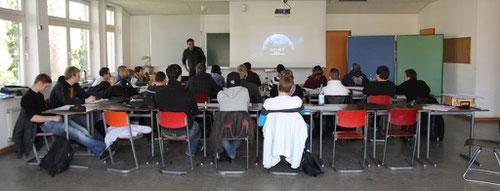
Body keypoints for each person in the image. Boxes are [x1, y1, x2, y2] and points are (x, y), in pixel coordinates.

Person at [22, 74, 107, 159]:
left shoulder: (39, 95)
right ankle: (104, 147)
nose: (46, 89)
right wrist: (53, 118)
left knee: (83, 130)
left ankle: (99, 151)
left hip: (53, 119)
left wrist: (55, 114)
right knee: (77, 133)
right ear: (39, 83)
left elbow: (44, 111)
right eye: (45, 87)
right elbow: (33, 118)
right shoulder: (28, 97)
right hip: (44, 124)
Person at [156, 64, 201, 156]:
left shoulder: (158, 93)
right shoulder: (187, 93)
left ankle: (189, 146)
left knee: (184, 127)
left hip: (165, 131)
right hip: (184, 130)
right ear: (180, 76)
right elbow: (196, 112)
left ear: (167, 76)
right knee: (197, 128)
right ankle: (190, 151)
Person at [49, 66, 104, 139]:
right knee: (85, 122)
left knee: (96, 115)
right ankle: (101, 142)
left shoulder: (75, 85)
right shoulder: (60, 86)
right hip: (62, 113)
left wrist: (96, 97)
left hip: (73, 110)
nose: (80, 77)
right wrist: (85, 101)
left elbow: (84, 95)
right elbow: (66, 101)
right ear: (72, 76)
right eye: (78, 75)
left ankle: (97, 138)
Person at [216, 72, 250, 161]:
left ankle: (229, 153)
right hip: (241, 128)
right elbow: (246, 105)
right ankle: (231, 153)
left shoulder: (220, 94)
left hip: (225, 128)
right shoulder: (245, 91)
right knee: (240, 134)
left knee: (220, 133)